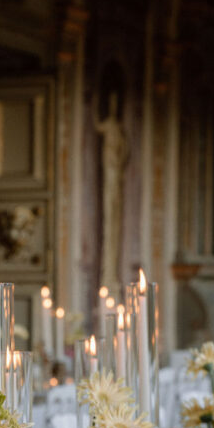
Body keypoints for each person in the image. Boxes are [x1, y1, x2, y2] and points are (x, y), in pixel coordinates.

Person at [95, 91, 128, 292]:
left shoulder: (118, 130)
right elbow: (97, 125)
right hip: (108, 172)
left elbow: (123, 151)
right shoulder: (106, 126)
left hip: (115, 173)